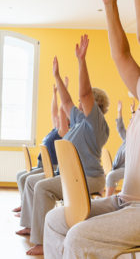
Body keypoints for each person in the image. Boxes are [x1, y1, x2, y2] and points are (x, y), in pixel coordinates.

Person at [43, 0, 140, 258]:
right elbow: (120, 54)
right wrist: (109, 5)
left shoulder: (97, 121)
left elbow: (85, 95)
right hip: (126, 201)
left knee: (80, 237)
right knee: (55, 220)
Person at [19, 34, 109, 256]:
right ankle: (33, 227)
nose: (77, 105)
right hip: (74, 175)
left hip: (89, 177)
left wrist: (81, 61)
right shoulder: (79, 121)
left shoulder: (96, 124)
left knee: (42, 187)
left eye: (83, 103)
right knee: (37, 184)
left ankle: (40, 241)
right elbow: (68, 101)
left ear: (95, 107)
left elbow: (84, 93)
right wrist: (57, 77)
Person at [13, 82, 68, 214]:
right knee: (20, 175)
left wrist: (63, 89)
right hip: (41, 166)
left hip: (49, 168)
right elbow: (54, 112)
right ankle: (25, 206)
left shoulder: (63, 131)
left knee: (24, 178)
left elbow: (61, 109)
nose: (57, 118)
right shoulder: (55, 129)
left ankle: (27, 210)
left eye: (61, 117)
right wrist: (55, 93)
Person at [105, 100, 134, 196]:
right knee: (109, 176)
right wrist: (119, 111)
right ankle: (105, 199)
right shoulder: (127, 138)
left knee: (111, 176)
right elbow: (120, 127)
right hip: (121, 167)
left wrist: (133, 113)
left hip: (131, 169)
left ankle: (107, 199)